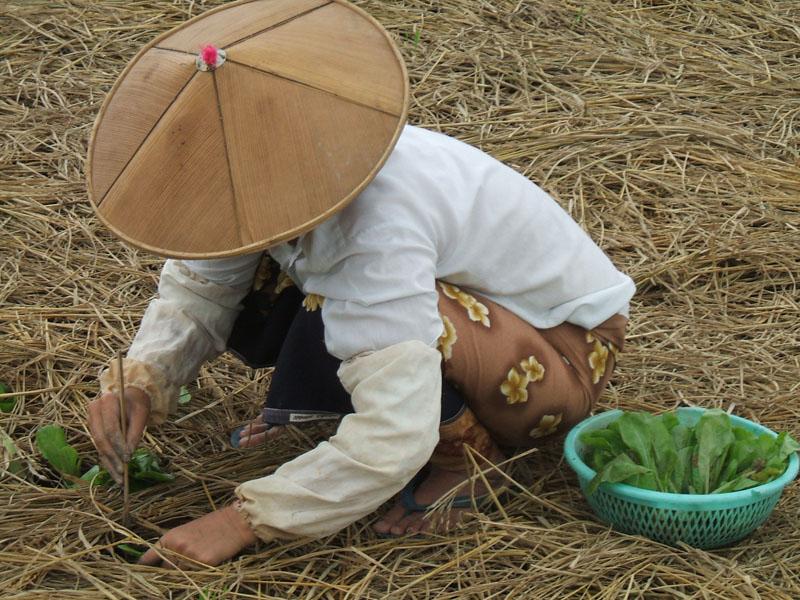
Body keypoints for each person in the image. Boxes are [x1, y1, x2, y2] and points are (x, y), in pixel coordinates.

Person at [84, 3, 634, 568]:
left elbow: (397, 431)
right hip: (475, 319)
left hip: (560, 357)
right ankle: (335, 405)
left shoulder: (377, 223)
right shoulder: (277, 165)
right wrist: (143, 380)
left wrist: (246, 519)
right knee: (291, 284)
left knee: (354, 305)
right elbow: (202, 287)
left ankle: (466, 458)